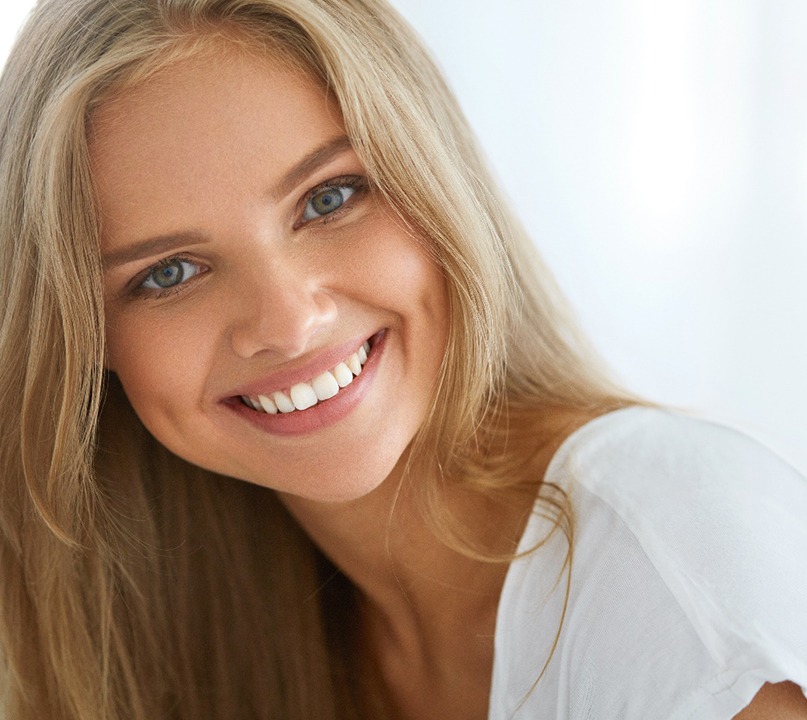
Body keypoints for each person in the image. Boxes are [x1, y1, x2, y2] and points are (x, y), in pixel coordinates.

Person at [0, 1, 804, 718]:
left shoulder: (674, 560)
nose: (287, 322)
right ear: (85, 343)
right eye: (167, 273)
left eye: (328, 198)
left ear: (433, 177)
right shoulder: (185, 633)